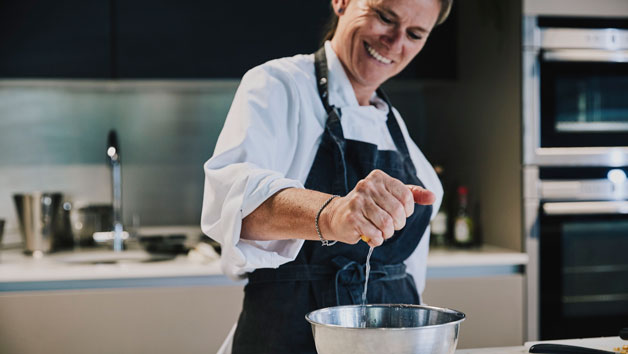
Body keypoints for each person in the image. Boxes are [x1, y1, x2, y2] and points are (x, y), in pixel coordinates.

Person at [201, 0, 453, 353]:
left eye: (414, 34)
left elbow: (411, 280)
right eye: (384, 17)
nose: (395, 44)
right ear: (342, 2)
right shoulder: (278, 85)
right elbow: (235, 205)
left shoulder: (399, 134)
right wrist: (333, 214)